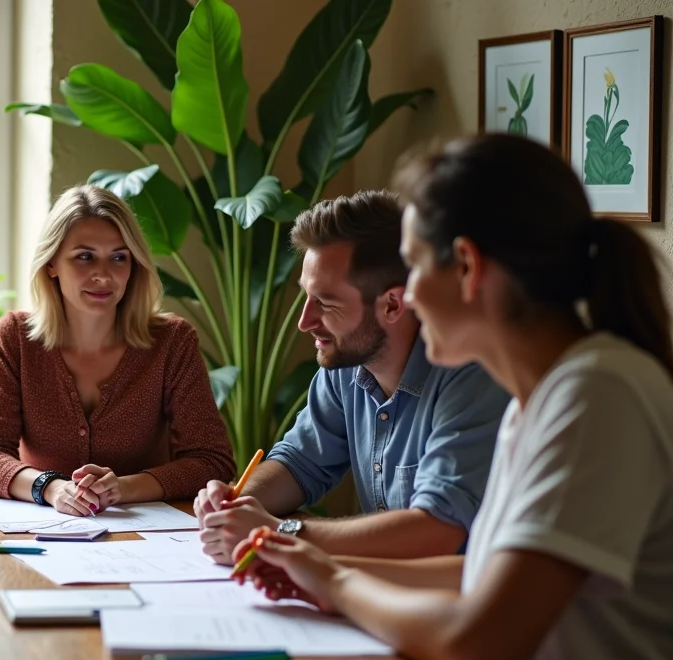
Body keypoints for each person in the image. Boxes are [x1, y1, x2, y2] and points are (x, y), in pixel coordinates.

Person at [240, 134, 673, 660]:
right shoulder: (536, 401)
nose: (408, 296)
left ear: (468, 267)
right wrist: (306, 566)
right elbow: (480, 577)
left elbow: (479, 646)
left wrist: (333, 578)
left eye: (415, 267)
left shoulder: (597, 395)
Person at [195, 190, 508, 562]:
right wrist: (236, 503)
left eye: (325, 302)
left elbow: (436, 531)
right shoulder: (347, 365)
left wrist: (278, 532)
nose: (304, 321)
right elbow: (300, 464)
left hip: (458, 592)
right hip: (379, 583)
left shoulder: (472, 377)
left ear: (392, 304)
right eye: (305, 296)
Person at [0, 185, 235, 515]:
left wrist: (122, 488)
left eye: (119, 257)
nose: (104, 275)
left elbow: (213, 460)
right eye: (85, 256)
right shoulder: (16, 338)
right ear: (51, 264)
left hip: (151, 532)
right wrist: (52, 488)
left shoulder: (172, 341)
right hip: (42, 529)